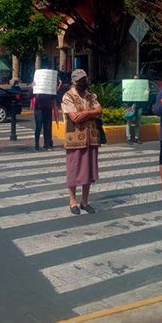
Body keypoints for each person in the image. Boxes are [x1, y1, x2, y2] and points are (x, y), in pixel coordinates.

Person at [61, 69, 102, 215]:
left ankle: (85, 201)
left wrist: (85, 113)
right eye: (80, 80)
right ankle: (72, 201)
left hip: (91, 138)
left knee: (88, 170)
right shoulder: (68, 96)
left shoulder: (91, 95)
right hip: (75, 140)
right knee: (74, 169)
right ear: (73, 81)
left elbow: (99, 110)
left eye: (84, 79)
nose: (83, 82)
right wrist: (91, 114)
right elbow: (74, 117)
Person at [125, 75, 145, 145]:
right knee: (129, 122)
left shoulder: (141, 87)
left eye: (137, 79)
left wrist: (146, 91)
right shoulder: (129, 86)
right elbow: (125, 94)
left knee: (138, 123)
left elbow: (145, 95)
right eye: (135, 79)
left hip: (139, 106)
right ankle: (128, 138)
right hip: (129, 106)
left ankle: (137, 138)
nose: (136, 81)